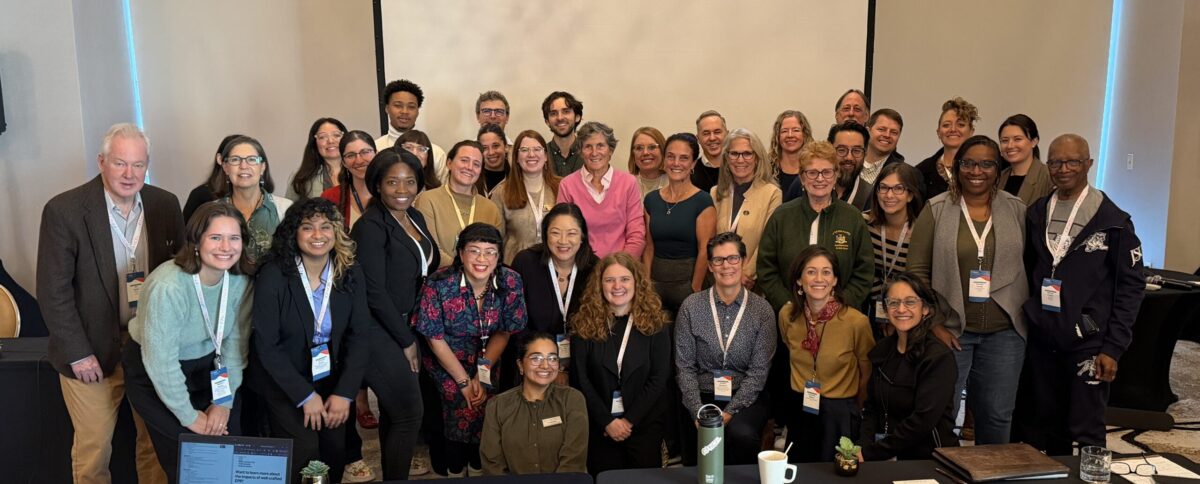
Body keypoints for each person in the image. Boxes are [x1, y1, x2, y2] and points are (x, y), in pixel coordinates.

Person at [38, 123, 179, 484]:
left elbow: (181, 275)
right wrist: (77, 353)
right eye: (120, 163)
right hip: (92, 352)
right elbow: (54, 291)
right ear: (101, 162)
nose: (129, 174)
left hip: (151, 349)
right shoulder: (64, 210)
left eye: (138, 165)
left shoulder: (165, 204)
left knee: (156, 446)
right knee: (94, 449)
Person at [1020, 134, 1145, 454]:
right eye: (1055, 162)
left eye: (1073, 161)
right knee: (1044, 425)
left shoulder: (1113, 222)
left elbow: (1131, 287)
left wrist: (1114, 348)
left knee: (1087, 429)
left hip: (1088, 342)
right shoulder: (1037, 213)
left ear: (1088, 164)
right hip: (1043, 338)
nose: (1063, 169)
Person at [907, 135, 1028, 445]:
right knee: (942, 411)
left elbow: (1030, 263)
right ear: (957, 167)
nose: (977, 170)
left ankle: (994, 477)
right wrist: (933, 323)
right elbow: (917, 272)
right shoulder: (936, 209)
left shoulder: (1016, 209)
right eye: (969, 163)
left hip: (1005, 332)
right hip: (951, 330)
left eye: (987, 163)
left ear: (998, 169)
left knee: (996, 414)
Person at [123, 201, 254, 483]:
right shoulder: (168, 286)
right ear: (196, 241)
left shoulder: (240, 280)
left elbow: (235, 345)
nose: (226, 247)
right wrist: (190, 417)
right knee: (188, 461)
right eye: (215, 237)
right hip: (155, 372)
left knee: (229, 448)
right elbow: (161, 362)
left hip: (209, 366)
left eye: (234, 238)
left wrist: (224, 402)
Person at [248, 197, 370, 481]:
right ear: (293, 232)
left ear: (336, 232)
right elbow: (266, 344)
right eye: (307, 227)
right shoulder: (274, 275)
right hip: (283, 380)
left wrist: (345, 393)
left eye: (325, 227)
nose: (318, 235)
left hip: (331, 377)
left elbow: (360, 335)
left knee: (334, 450)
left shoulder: (349, 271)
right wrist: (304, 395)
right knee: (305, 451)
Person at [349, 149, 439, 479]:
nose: (402, 189)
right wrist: (405, 340)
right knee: (409, 414)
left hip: (407, 324)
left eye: (410, 181)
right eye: (392, 182)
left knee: (393, 410)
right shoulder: (370, 227)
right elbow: (373, 292)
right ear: (377, 184)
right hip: (378, 330)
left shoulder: (414, 216)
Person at [414, 223, 528, 477]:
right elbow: (434, 338)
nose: (482, 259)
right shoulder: (439, 283)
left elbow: (505, 330)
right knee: (458, 401)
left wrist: (481, 372)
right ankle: (453, 469)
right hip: (445, 360)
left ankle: (478, 468)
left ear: (499, 256)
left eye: (490, 252)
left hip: (488, 358)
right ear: (461, 253)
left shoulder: (510, 281)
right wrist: (464, 380)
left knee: (485, 402)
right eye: (474, 251)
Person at [674, 232, 776, 466]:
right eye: (718, 260)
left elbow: (758, 373)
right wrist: (698, 411)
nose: (726, 266)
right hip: (701, 395)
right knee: (697, 438)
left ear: (743, 260)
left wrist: (729, 413)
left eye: (732, 258)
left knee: (740, 435)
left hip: (746, 398)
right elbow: (685, 367)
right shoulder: (691, 307)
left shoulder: (762, 311)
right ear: (710, 266)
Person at [570, 252, 671, 474]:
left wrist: (628, 421)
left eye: (624, 279)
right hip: (600, 425)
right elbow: (580, 379)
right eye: (609, 280)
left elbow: (658, 379)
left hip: (644, 423)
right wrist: (607, 421)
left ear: (637, 282)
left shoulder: (657, 324)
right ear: (600, 284)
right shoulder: (583, 324)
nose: (617, 286)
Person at [777, 245, 874, 463]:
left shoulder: (856, 322)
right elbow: (789, 347)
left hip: (838, 412)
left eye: (826, 272)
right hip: (800, 408)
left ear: (835, 280)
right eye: (811, 272)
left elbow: (865, 369)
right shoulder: (787, 315)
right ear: (799, 280)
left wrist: (857, 407)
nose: (819, 278)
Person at [758, 140, 874, 313]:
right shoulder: (782, 216)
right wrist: (789, 305)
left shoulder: (852, 218)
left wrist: (840, 305)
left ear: (836, 175)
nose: (820, 179)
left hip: (839, 317)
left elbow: (864, 272)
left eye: (826, 172)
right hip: (790, 316)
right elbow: (766, 269)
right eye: (812, 173)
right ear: (802, 177)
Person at [858, 272, 959, 461]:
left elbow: (922, 421)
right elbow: (871, 409)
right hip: (887, 454)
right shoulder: (881, 351)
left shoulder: (938, 358)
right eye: (893, 303)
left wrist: (872, 453)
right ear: (886, 311)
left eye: (910, 302)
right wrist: (862, 449)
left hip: (931, 458)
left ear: (926, 309)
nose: (901, 309)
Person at [510, 203, 599, 384]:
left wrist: (568, 369)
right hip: (532, 363)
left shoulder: (595, 268)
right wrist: (546, 365)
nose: (563, 241)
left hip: (580, 365)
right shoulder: (525, 263)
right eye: (555, 233)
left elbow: (596, 327)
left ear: (582, 236)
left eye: (572, 233)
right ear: (545, 235)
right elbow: (516, 324)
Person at [481, 332, 589, 475]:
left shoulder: (572, 399)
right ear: (520, 365)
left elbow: (573, 462)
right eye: (536, 358)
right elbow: (492, 465)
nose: (545, 365)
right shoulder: (497, 406)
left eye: (552, 358)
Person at [643, 132, 716, 314]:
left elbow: (704, 250)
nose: (676, 163)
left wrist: (695, 290)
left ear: (692, 164)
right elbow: (649, 248)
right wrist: (646, 287)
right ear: (664, 160)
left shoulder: (703, 201)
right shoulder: (651, 200)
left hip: (688, 285)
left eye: (684, 158)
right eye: (671, 157)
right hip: (656, 286)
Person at [557, 121, 646, 258]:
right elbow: (564, 233)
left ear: (610, 150)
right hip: (581, 267)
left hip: (621, 267)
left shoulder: (628, 183)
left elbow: (636, 234)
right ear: (580, 152)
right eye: (588, 147)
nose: (594, 153)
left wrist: (620, 268)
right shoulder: (567, 185)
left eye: (600, 146)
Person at [414, 140, 504, 268]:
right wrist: (466, 271)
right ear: (449, 163)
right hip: (443, 281)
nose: (469, 167)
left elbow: (495, 252)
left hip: (482, 282)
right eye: (464, 160)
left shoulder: (490, 208)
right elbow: (430, 249)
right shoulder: (428, 200)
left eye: (476, 164)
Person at [713, 130, 782, 291]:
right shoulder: (715, 193)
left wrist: (746, 274)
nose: (740, 160)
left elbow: (768, 242)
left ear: (757, 158)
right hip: (719, 281)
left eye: (747, 154)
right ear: (726, 158)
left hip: (753, 284)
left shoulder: (772, 193)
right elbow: (711, 240)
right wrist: (723, 273)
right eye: (734, 154)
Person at [863, 163, 924, 333]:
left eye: (898, 189)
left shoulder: (922, 232)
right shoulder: (864, 224)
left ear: (910, 195)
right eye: (883, 188)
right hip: (870, 310)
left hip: (908, 315)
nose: (889, 195)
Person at [214, 135, 293, 263]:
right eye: (235, 160)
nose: (244, 166)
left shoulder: (285, 209)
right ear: (225, 167)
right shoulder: (212, 211)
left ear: (262, 167)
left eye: (252, 159)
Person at [490, 130, 562, 265]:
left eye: (537, 149)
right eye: (524, 150)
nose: (531, 154)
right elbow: (495, 239)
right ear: (516, 157)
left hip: (555, 265)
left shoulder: (561, 187)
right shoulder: (502, 192)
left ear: (546, 156)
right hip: (516, 267)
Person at [782, 121, 871, 207]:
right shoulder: (806, 182)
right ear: (829, 148)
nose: (849, 157)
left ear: (865, 153)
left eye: (856, 151)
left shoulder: (869, 194)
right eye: (841, 150)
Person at [376, 79, 447, 179]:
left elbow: (443, 192)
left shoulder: (436, 153)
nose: (404, 111)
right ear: (387, 108)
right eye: (398, 105)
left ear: (418, 111)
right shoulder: (376, 148)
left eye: (411, 107)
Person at [915, 97, 978, 200]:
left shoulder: (985, 167)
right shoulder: (921, 172)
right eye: (946, 125)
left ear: (971, 131)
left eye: (960, 125)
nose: (953, 129)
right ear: (938, 132)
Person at [320, 131, 376, 229]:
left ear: (377, 154)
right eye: (350, 155)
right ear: (344, 163)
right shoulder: (330, 197)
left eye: (365, 152)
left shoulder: (392, 193)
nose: (359, 160)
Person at [184, 134, 244, 221]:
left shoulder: (264, 198)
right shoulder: (200, 195)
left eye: (250, 159)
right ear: (220, 159)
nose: (244, 165)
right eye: (235, 159)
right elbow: (186, 232)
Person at [997, 114, 1053, 206]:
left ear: (1034, 141)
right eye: (1004, 140)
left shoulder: (1048, 177)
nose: (1010, 146)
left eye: (1017, 139)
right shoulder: (998, 178)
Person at [288, 118, 348, 201]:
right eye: (322, 137)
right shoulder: (301, 178)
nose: (330, 141)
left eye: (336, 135)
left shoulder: (359, 171)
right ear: (314, 143)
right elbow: (290, 211)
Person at [769, 110, 813, 192]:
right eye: (784, 131)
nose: (790, 135)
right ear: (777, 136)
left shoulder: (814, 166)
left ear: (805, 134)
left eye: (796, 130)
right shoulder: (767, 167)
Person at [543, 91, 584, 176]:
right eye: (553, 113)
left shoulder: (589, 154)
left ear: (577, 117)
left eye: (566, 111)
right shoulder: (540, 155)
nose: (560, 118)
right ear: (547, 122)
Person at [862, 109, 906, 186]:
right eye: (881, 129)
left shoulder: (904, 174)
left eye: (894, 132)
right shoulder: (849, 162)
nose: (887, 135)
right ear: (867, 131)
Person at [692, 110, 728, 192]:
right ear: (698, 139)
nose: (712, 138)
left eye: (717, 132)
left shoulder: (739, 168)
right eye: (706, 133)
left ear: (727, 135)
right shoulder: (690, 173)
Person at [629, 127, 668, 197]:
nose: (645, 153)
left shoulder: (674, 183)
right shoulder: (625, 184)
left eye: (652, 147)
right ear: (633, 154)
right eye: (639, 148)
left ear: (662, 150)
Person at [477, 123, 509, 196]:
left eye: (496, 146)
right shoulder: (471, 179)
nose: (491, 152)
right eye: (485, 148)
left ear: (506, 147)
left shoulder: (517, 180)